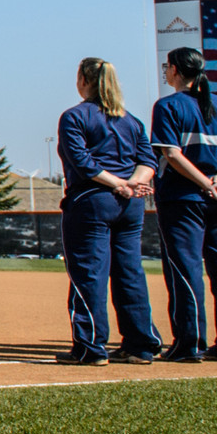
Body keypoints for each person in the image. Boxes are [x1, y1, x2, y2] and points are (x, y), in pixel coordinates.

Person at [147, 47, 217, 364]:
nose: (166, 72)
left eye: (168, 67)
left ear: (176, 70)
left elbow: (172, 155)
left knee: (185, 268)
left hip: (183, 199)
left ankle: (189, 344)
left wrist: (207, 183)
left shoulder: (168, 106)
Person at [55, 57, 160, 366]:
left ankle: (91, 347)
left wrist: (117, 183)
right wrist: (133, 183)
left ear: (84, 81)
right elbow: (148, 160)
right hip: (130, 205)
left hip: (92, 201)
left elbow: (83, 163)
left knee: (89, 274)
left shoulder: (75, 117)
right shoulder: (132, 121)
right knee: (130, 273)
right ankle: (140, 344)